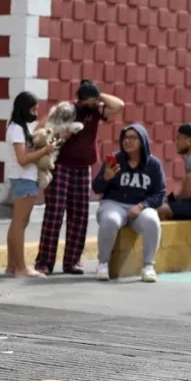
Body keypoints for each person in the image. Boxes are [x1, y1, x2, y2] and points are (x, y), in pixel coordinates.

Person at [35, 80, 124, 275]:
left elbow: (119, 105)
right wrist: (60, 134)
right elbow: (43, 126)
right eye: (89, 101)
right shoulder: (67, 109)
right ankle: (44, 262)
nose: (92, 105)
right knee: (54, 214)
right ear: (81, 99)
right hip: (62, 166)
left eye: (95, 101)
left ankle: (72, 262)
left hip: (84, 168)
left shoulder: (96, 110)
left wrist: (99, 96)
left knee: (80, 216)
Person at [92, 124, 167, 282]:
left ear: (142, 141)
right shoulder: (115, 160)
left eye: (133, 138)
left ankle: (148, 266)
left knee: (152, 220)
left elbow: (160, 194)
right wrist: (105, 177)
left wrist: (142, 206)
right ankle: (103, 264)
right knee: (110, 220)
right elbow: (96, 188)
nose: (128, 141)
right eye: (125, 138)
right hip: (114, 203)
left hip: (139, 207)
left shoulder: (153, 165)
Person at [4, 92, 57, 281]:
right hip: (23, 178)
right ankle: (21, 267)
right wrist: (45, 150)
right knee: (20, 222)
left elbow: (40, 127)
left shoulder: (20, 127)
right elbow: (23, 159)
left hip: (24, 178)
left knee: (17, 222)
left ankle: (12, 265)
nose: (35, 112)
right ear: (23, 109)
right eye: (33, 109)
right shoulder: (16, 129)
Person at [158, 123, 191, 221]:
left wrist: (172, 199)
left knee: (160, 209)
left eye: (178, 138)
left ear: (189, 141)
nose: (176, 142)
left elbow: (188, 192)